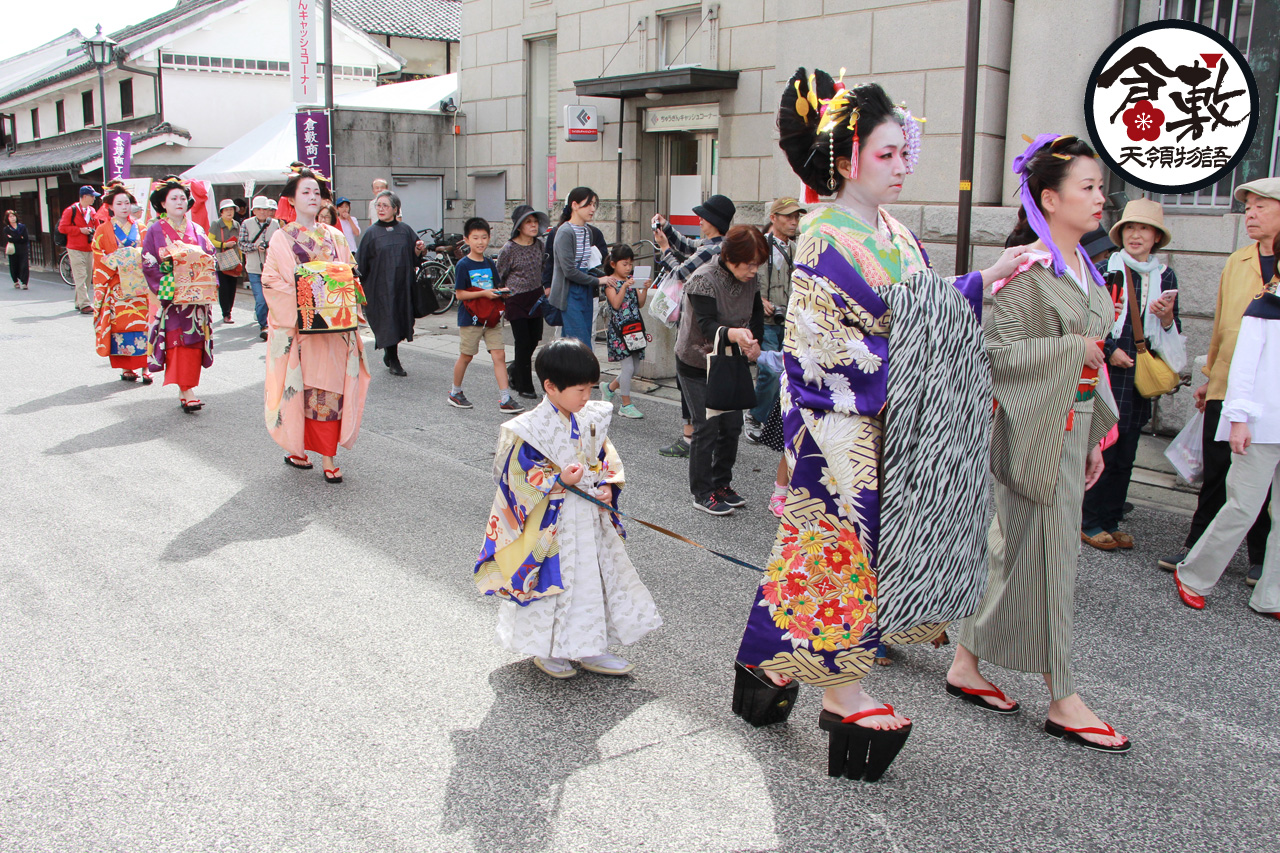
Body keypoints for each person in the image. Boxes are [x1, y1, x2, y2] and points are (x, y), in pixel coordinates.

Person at [733, 71, 1028, 782]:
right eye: (888, 154)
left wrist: (985, 281)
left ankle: (763, 664)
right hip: (839, 421)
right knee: (845, 559)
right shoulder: (825, 233)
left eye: (904, 153)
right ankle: (844, 694)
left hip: (883, 416)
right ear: (847, 157)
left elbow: (921, 307)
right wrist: (903, 376)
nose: (902, 166)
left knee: (815, 557)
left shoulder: (893, 232)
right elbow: (822, 344)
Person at [948, 134, 1129, 754]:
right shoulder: (1031, 268)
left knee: (1022, 555)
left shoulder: (1083, 267)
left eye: (1100, 187)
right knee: (1050, 561)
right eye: (1089, 187)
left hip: (1068, 422)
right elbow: (995, 354)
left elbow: (1092, 361)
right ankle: (1063, 696)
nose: (1101, 197)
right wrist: (1066, 350)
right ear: (1049, 198)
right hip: (1034, 427)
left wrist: (1095, 432)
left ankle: (966, 661)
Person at [473, 338, 663, 678]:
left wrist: (606, 485)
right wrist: (557, 479)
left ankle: (591, 646)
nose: (587, 396)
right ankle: (548, 649)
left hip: (589, 518)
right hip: (551, 522)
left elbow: (606, 458)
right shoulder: (531, 428)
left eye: (590, 388)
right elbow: (516, 477)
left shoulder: (591, 419)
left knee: (594, 578)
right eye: (579, 390)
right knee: (553, 583)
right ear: (550, 386)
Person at [1160, 177, 1280, 586]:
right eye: (1248, 206)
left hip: (1271, 395)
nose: (1250, 213)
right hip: (1228, 386)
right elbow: (1223, 327)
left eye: (1261, 206)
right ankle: (1196, 547)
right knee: (1217, 474)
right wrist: (1209, 379)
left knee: (1264, 483)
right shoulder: (1237, 260)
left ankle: (1260, 559)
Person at [1081, 200, 1184, 550]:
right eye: (1129, 228)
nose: (1136, 235)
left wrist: (1166, 317)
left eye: (1144, 229)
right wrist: (1111, 350)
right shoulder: (1104, 268)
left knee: (1127, 453)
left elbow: (1174, 328)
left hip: (1140, 372)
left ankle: (1110, 518)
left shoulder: (1164, 275)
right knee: (1106, 445)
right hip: (1107, 369)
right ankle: (1089, 520)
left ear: (1156, 237)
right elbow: (1088, 319)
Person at [261, 167, 371, 484]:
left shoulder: (335, 235)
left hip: (334, 329)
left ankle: (327, 456)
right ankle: (299, 449)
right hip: (303, 328)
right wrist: (306, 295)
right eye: (305, 191)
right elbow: (270, 281)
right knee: (303, 391)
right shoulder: (281, 238)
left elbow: (350, 273)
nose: (312, 196)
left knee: (329, 392)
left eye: (315, 191)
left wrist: (346, 290)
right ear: (292, 200)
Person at [674, 225, 765, 515]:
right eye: (749, 263)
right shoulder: (703, 279)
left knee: (732, 425)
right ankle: (701, 492)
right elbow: (707, 325)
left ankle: (721, 483)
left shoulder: (752, 281)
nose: (753, 270)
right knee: (706, 425)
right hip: (696, 361)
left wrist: (754, 342)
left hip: (731, 359)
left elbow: (757, 319)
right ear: (730, 257)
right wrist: (735, 334)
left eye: (757, 264)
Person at [652, 193, 735, 458]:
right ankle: (701, 435)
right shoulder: (719, 245)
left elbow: (680, 272)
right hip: (711, 328)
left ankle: (692, 438)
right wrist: (667, 229)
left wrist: (665, 249)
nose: (700, 219)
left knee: (688, 380)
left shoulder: (714, 250)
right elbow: (689, 246)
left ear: (714, 221)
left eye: (703, 216)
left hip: (696, 329)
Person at [141, 178, 217, 412]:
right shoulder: (155, 230)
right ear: (163, 204)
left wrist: (205, 279)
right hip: (172, 296)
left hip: (196, 297)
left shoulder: (198, 230)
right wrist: (168, 282)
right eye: (173, 198)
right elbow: (148, 260)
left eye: (183, 198)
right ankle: (187, 390)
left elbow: (209, 256)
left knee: (194, 341)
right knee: (177, 341)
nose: (179, 202)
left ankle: (187, 387)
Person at [745, 197, 805, 443]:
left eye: (796, 217)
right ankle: (755, 416)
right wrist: (760, 301)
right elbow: (748, 277)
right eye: (788, 216)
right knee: (769, 371)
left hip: (790, 320)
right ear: (773, 218)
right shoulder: (760, 246)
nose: (793, 222)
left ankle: (773, 419)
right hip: (767, 321)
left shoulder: (797, 248)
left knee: (786, 372)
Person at [449, 217, 522, 413]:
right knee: (466, 356)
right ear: (467, 240)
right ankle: (455, 392)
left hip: (491, 316)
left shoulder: (490, 263)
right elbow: (460, 294)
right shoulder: (463, 265)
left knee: (499, 354)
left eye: (484, 237)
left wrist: (501, 292)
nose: (480, 242)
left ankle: (505, 397)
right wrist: (484, 293)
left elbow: (495, 286)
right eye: (475, 238)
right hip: (471, 317)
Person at [356, 190, 425, 376]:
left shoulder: (405, 230)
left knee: (402, 319)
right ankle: (393, 359)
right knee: (387, 320)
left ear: (395, 209)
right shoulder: (371, 233)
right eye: (378, 205)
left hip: (402, 285)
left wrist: (419, 250)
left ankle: (390, 351)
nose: (381, 209)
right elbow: (361, 263)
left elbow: (414, 256)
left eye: (385, 205)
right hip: (380, 287)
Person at [90, 184, 153, 383]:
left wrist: (140, 257)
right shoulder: (102, 230)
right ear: (110, 207)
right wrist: (115, 259)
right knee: (122, 326)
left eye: (127, 203)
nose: (124, 207)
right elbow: (98, 255)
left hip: (140, 286)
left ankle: (145, 366)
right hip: (117, 285)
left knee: (143, 324)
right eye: (119, 203)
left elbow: (150, 252)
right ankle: (127, 367)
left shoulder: (141, 228)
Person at [548, 186, 614, 346]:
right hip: (569, 291)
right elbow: (569, 271)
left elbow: (588, 264)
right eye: (589, 204)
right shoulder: (564, 232)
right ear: (575, 205)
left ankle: (568, 370)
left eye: (594, 205)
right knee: (578, 342)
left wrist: (605, 277)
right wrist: (599, 281)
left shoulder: (587, 231)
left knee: (580, 338)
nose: (592, 209)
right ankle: (582, 371)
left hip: (585, 289)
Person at [497, 204, 550, 400]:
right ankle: (524, 385)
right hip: (515, 298)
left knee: (534, 339)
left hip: (535, 296)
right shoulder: (508, 249)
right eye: (529, 222)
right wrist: (502, 293)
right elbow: (500, 274)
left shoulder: (539, 245)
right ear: (519, 226)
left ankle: (515, 369)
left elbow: (542, 267)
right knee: (522, 342)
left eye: (535, 222)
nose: (534, 225)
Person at [600, 244, 648, 419]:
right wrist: (625, 287)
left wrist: (644, 288)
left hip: (634, 329)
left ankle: (609, 388)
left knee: (634, 368)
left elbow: (640, 303)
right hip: (620, 331)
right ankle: (626, 404)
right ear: (613, 264)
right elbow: (616, 304)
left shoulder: (631, 281)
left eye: (630, 264)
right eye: (625, 264)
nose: (629, 268)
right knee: (627, 367)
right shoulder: (611, 283)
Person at [239, 196, 281, 342]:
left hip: (273, 268)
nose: (263, 212)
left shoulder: (275, 224)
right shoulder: (246, 224)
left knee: (274, 299)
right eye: (259, 209)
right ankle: (264, 325)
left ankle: (271, 324)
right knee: (261, 299)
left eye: (265, 209)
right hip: (254, 267)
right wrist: (255, 247)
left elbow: (281, 243)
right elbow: (242, 245)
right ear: (254, 210)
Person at [59, 186, 100, 313]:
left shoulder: (92, 210)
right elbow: (62, 228)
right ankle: (84, 304)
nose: (94, 198)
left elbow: (97, 226)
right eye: (92, 196)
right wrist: (79, 230)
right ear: (85, 196)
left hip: (89, 247)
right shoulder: (70, 210)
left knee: (87, 276)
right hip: (75, 247)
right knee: (80, 275)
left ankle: (79, 301)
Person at [209, 199, 242, 325]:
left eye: (231, 210)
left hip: (233, 259)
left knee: (232, 287)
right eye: (227, 210)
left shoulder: (236, 224)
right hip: (221, 259)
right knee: (223, 288)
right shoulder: (216, 224)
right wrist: (224, 244)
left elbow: (238, 244)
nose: (229, 212)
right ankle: (226, 313)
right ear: (221, 212)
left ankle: (230, 310)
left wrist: (241, 260)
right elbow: (210, 240)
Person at [4, 210, 30, 289]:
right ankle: (15, 281)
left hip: (23, 248)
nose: (12, 218)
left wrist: (15, 238)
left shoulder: (22, 227)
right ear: (7, 219)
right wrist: (19, 237)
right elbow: (9, 240)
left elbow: (25, 238)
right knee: (14, 265)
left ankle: (24, 282)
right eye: (10, 217)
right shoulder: (6, 229)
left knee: (24, 265)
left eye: (14, 216)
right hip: (13, 249)